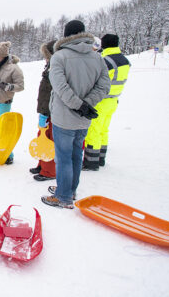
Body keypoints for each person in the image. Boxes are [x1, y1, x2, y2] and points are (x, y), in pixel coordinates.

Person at [41, 20, 110, 209]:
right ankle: (69, 189)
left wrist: (79, 105)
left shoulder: (60, 57)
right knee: (76, 155)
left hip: (65, 116)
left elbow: (60, 87)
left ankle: (63, 196)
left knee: (63, 157)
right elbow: (104, 86)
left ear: (66, 35)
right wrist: (86, 105)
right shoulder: (97, 58)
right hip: (84, 117)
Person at [83, 34, 131, 171]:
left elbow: (94, 79)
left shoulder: (106, 61)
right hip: (114, 100)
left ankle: (91, 162)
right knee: (104, 130)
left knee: (94, 130)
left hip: (101, 100)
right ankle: (100, 158)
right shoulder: (124, 60)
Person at [31, 40, 57, 181]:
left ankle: (49, 171)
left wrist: (47, 111)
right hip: (44, 109)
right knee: (41, 136)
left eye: (46, 55)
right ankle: (42, 164)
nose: (44, 58)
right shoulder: (49, 67)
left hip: (51, 111)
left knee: (49, 140)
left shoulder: (56, 68)